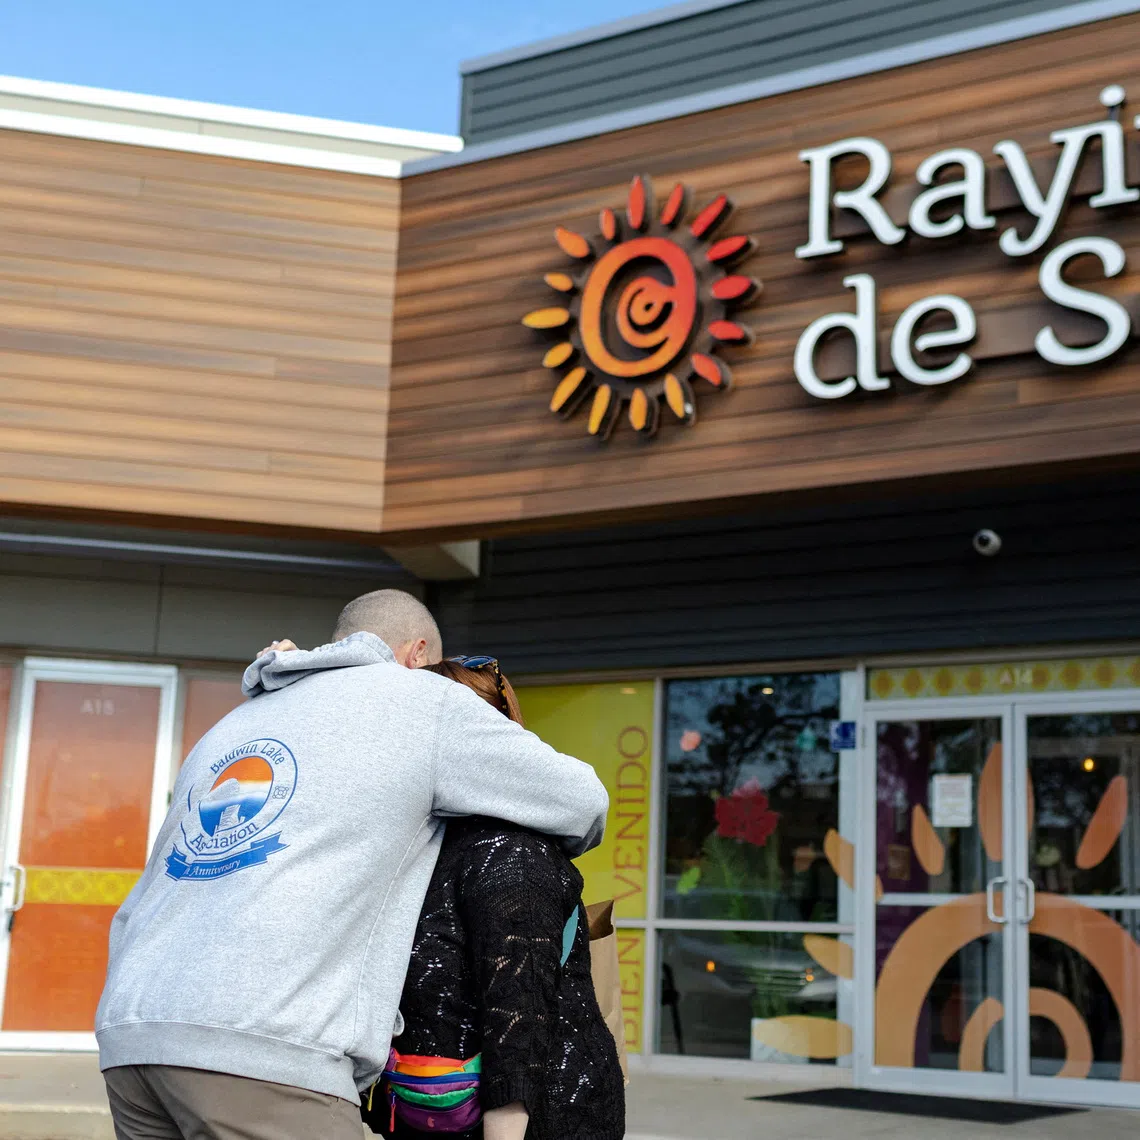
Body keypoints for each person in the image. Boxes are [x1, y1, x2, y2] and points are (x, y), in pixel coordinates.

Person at [96, 590, 609, 1140]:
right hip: (267, 1051)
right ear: (417, 654)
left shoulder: (234, 723)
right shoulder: (422, 700)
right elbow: (582, 802)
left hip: (132, 1035)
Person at [362, 657, 625, 1140]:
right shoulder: (429, 846)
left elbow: (516, 1022)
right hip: (439, 1113)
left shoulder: (507, 852)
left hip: (541, 1123)